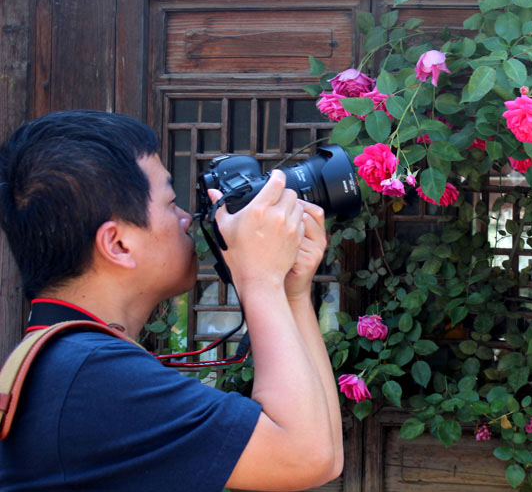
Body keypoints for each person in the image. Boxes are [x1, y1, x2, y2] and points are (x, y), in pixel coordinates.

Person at [0, 110, 343, 491]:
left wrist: (290, 290)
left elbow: (324, 457)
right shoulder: (94, 374)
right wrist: (258, 278)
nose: (187, 218)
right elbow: (305, 456)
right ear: (118, 244)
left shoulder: (73, 361)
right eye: (170, 202)